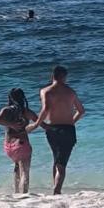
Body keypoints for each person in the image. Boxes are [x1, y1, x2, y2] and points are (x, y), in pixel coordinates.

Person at [29, 66, 85, 194]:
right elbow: (81, 111)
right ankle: (57, 190)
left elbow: (45, 109)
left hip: (52, 129)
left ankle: (55, 187)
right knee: (61, 162)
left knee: (57, 159)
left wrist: (36, 124)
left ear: (52, 76)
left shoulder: (45, 91)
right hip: (68, 129)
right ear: (65, 77)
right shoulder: (71, 92)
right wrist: (71, 121)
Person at [0, 88, 38, 193]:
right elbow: (41, 123)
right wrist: (32, 127)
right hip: (21, 145)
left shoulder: (5, 110)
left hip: (8, 146)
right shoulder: (26, 112)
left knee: (17, 167)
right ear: (22, 98)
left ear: (10, 98)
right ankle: (24, 195)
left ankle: (16, 192)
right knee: (25, 172)